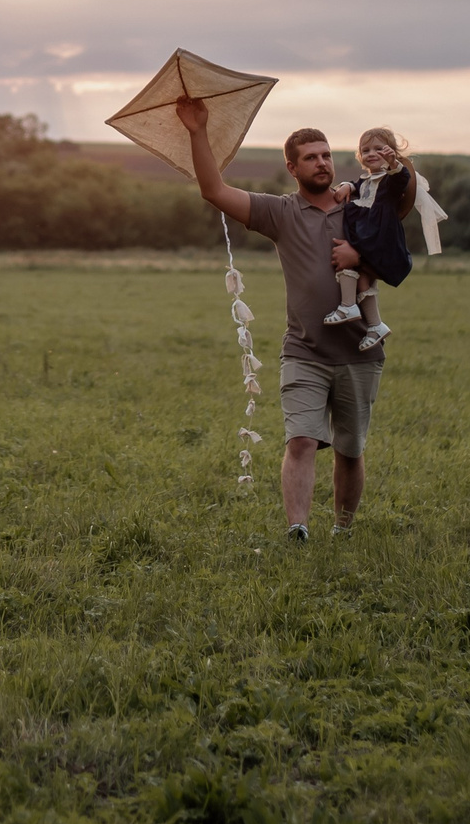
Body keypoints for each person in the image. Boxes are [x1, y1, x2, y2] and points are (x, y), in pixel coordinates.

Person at [173, 98, 414, 540]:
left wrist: (360, 253)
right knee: (301, 440)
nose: (321, 163)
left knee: (349, 450)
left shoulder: (360, 202)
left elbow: (399, 237)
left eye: (326, 155)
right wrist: (197, 131)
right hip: (304, 350)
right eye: (310, 158)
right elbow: (214, 190)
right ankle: (298, 528)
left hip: (361, 353)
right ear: (292, 167)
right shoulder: (279, 213)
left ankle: (343, 529)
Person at [322, 127, 417, 352]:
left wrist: (393, 164)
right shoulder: (367, 180)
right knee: (362, 279)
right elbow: (359, 187)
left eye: (379, 149)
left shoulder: (390, 181)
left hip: (378, 238)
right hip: (366, 235)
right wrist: (348, 185)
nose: (371, 153)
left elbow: (401, 179)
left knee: (348, 260)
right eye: (365, 150)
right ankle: (375, 325)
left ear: (391, 152)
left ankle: (348, 306)